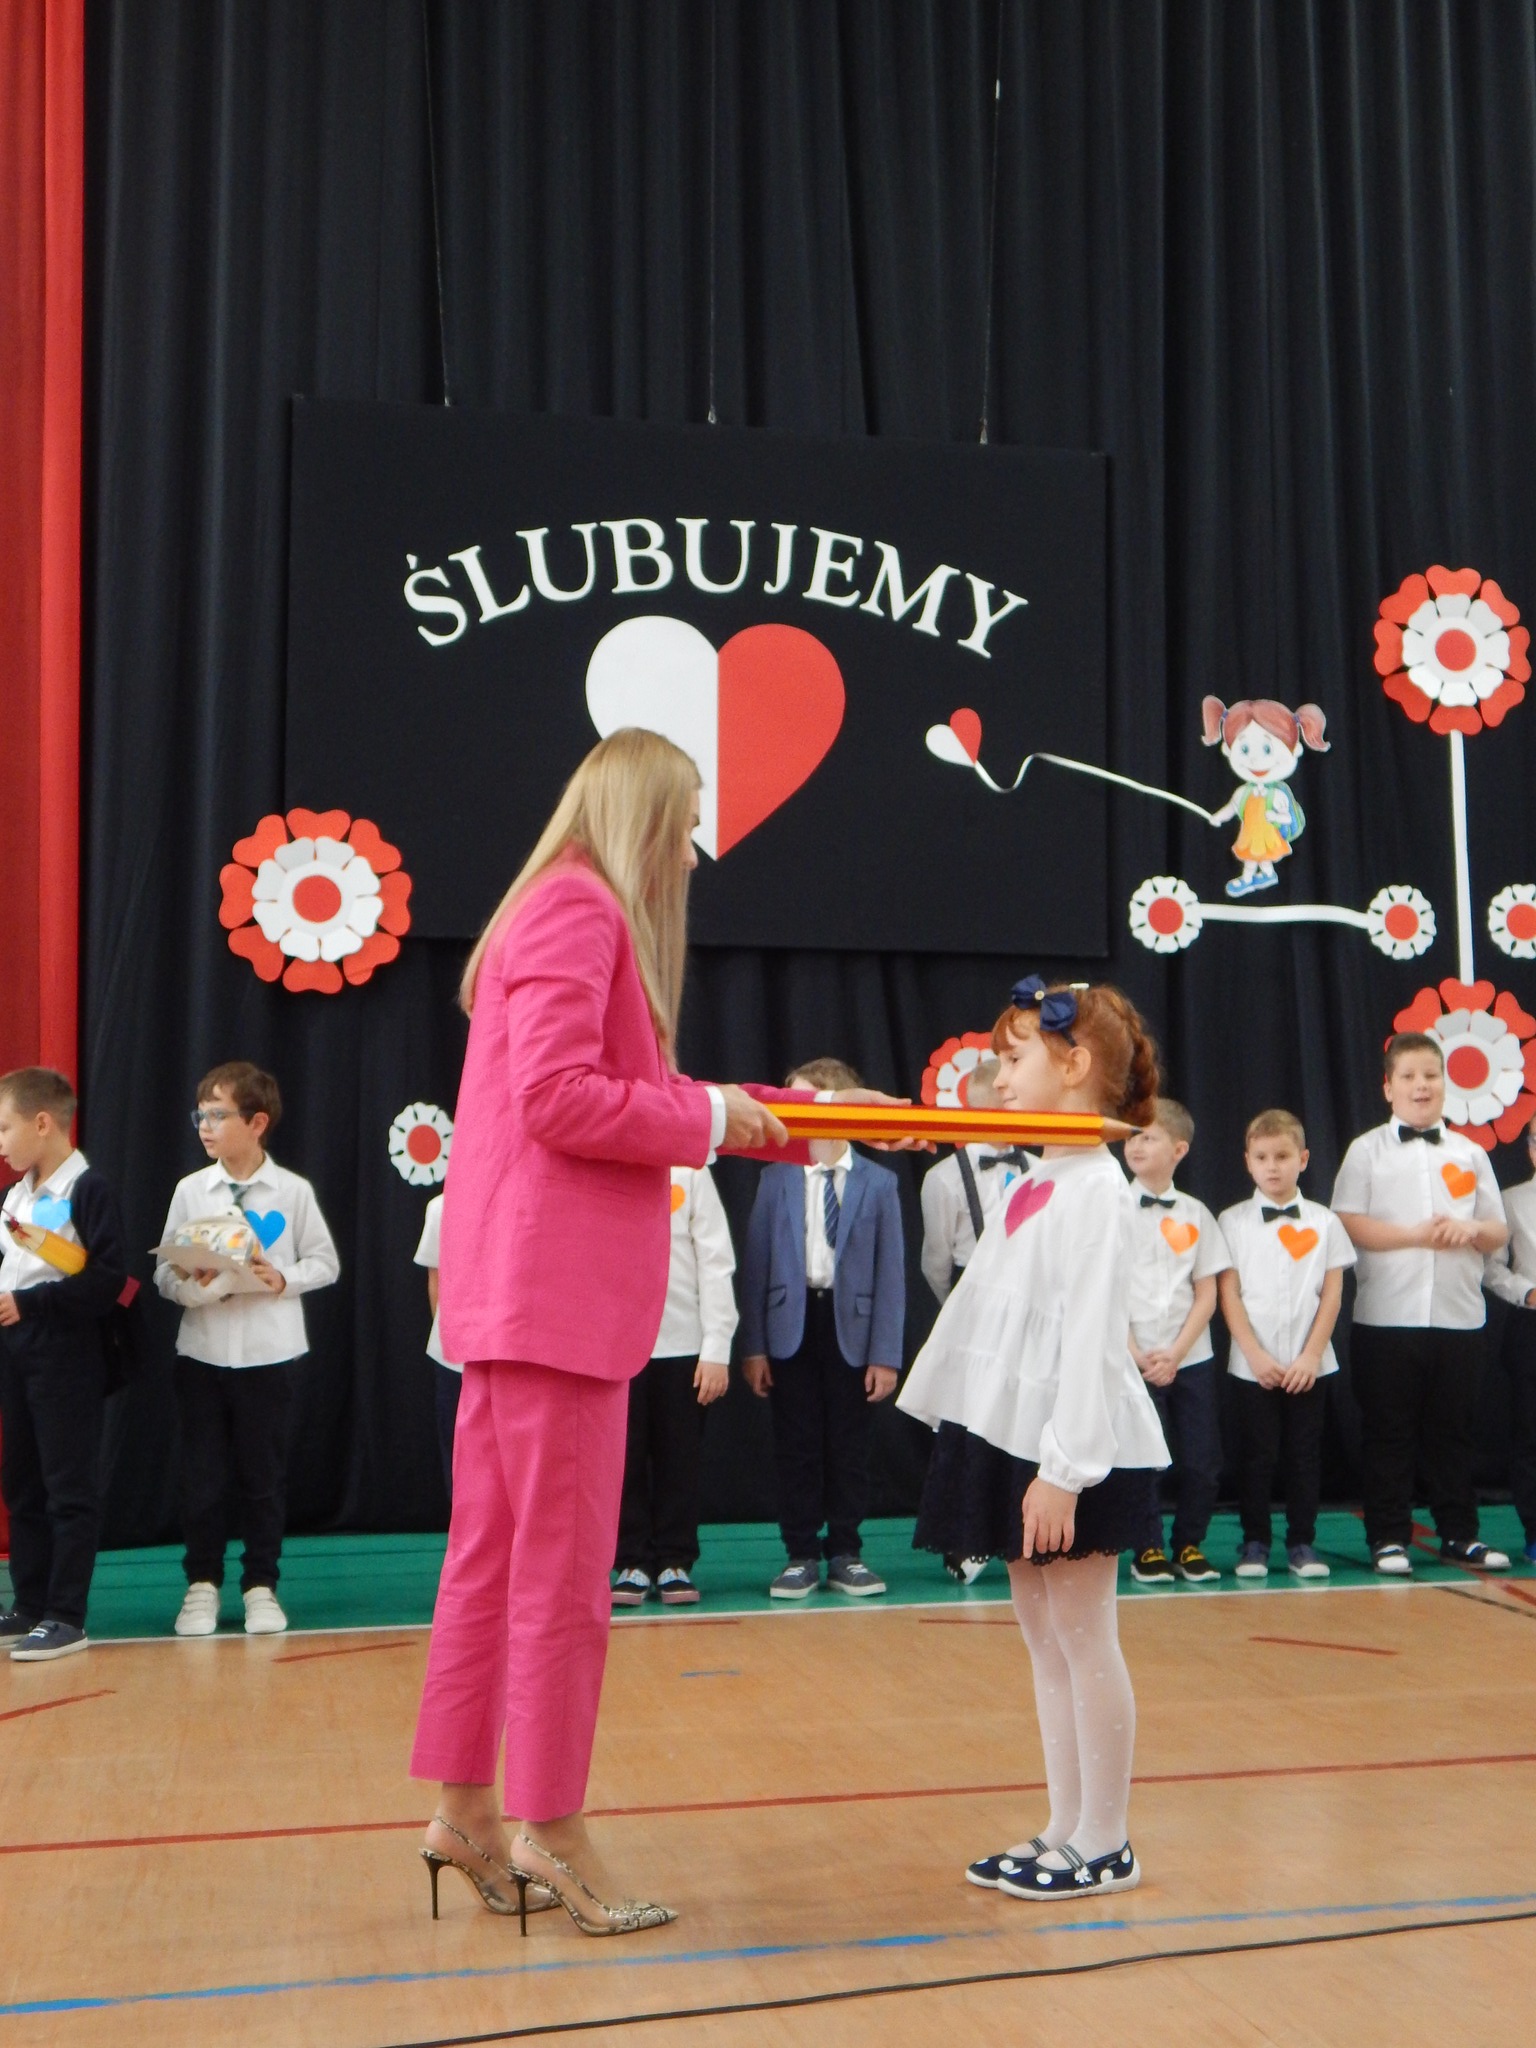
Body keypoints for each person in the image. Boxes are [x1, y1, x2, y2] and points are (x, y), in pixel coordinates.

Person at [409, 729, 897, 1937]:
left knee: (489, 1562)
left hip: (515, 1294)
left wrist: (801, 1115)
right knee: (562, 1580)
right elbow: (564, 1098)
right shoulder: (581, 909)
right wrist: (730, 1113)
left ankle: (466, 1810)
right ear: (642, 815)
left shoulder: (548, 904)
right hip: (557, 1299)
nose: (691, 852)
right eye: (684, 827)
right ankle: (553, 1827)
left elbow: (632, 1096)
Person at [900, 977, 1168, 1900]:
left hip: (1070, 1446)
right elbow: (994, 1313)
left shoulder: (1098, 1190)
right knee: (1045, 1640)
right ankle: (1064, 1827)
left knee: (1085, 1638)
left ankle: (1107, 1840)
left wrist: (1064, 1470)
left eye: (1014, 1059)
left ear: (1076, 1064)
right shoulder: (1036, 1179)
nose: (999, 1078)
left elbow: (1090, 1339)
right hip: (1014, 1436)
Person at [155, 1062, 340, 1637]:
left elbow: (325, 1263)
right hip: (202, 1351)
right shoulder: (192, 1190)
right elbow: (163, 1272)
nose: (205, 1126)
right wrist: (193, 1286)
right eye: (200, 1115)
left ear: (257, 1122)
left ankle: (261, 1584)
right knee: (202, 1478)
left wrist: (280, 1277)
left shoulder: (292, 1191)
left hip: (269, 1354)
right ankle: (201, 1585)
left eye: (218, 1115)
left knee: (264, 1478)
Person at [1333, 1032, 1510, 1576]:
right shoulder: (1366, 1150)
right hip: (1387, 1317)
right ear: (1388, 1088)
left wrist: (1470, 1229)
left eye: (1431, 1075)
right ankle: (1388, 1538)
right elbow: (1347, 1222)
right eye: (1408, 1076)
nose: (1421, 1086)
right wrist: (1416, 1235)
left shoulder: (1470, 1152)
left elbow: (1498, 1230)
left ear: (1445, 1084)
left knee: (1453, 1433)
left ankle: (1460, 1534)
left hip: (1459, 1317)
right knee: (1388, 1432)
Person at [740, 1058, 905, 1600]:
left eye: (802, 1100)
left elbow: (891, 1274)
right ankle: (801, 1553)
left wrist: (885, 1354)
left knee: (849, 1445)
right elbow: (757, 1263)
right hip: (792, 1325)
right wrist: (755, 1346)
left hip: (850, 1328)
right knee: (797, 1443)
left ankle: (845, 1552)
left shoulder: (878, 1183)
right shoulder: (776, 1178)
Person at [0, 1067, 130, 1662]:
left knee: (67, 1486)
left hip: (66, 1352)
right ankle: (29, 1603)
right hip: (17, 1351)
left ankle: (66, 1616)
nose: (1, 1143)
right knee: (22, 1481)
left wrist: (30, 1304)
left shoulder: (88, 1188)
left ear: (42, 1123)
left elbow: (107, 1281)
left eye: (5, 1128)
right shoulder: (16, 1195)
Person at [1217, 1109, 1355, 1580]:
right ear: (1247, 1162)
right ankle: (1254, 1542)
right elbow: (1229, 1294)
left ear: (1304, 1159)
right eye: (1262, 1157)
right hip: (1251, 1365)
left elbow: (1332, 1295)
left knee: (1304, 1456)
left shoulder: (1325, 1222)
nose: (1272, 1166)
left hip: (1308, 1363)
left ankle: (1302, 1543)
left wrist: (1311, 1355)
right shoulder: (1232, 1221)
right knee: (1255, 1457)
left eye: (1282, 1156)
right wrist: (1254, 1355)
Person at [611, 1164, 736, 1606]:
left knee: (679, 1461)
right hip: (614, 1348)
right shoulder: (605, 1164)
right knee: (621, 1461)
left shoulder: (690, 1170)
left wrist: (716, 1346)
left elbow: (716, 1260)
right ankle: (631, 1561)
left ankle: (674, 1561)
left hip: (683, 1345)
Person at [1122, 1100, 1230, 1585]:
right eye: (1132, 1137)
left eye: (1149, 1137)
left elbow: (1207, 1291)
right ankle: (1146, 1547)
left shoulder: (1196, 1212)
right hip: (1132, 1356)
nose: (1136, 1146)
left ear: (1179, 1150)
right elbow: (1102, 1289)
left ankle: (1189, 1544)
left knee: (1202, 1460)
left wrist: (1178, 1353)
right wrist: (1134, 1352)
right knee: (1143, 1458)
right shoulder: (1112, 1209)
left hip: (1191, 1357)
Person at [918, 1056, 1028, 1303]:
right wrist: (955, 1305)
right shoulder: (944, 1178)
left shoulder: (1037, 1168)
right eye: (1016, 1102)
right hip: (970, 1296)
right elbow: (936, 1261)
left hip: (1028, 1294)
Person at [1483, 1122, 1536, 1563]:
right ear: (1531, 1148)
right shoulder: (1512, 1200)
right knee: (1532, 1434)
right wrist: (1528, 1292)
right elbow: (1491, 1267)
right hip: (1531, 1327)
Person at [413, 1192, 461, 1502]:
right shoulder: (441, 1206)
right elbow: (436, 1277)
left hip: (507, 1353)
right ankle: (460, 1525)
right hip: (453, 1357)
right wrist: (448, 1337)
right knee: (456, 1450)